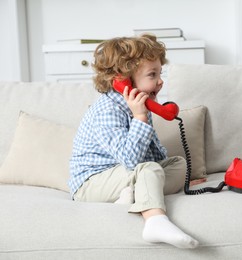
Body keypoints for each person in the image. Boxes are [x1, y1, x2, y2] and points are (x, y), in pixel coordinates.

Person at [68, 35, 199, 249]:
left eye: (160, 73)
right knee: (148, 169)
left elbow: (153, 155)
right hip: (91, 184)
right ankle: (155, 221)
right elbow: (132, 160)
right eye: (152, 75)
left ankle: (133, 195)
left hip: (127, 175)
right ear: (124, 81)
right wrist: (140, 118)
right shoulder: (107, 110)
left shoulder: (139, 105)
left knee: (178, 164)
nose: (160, 81)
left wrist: (182, 179)